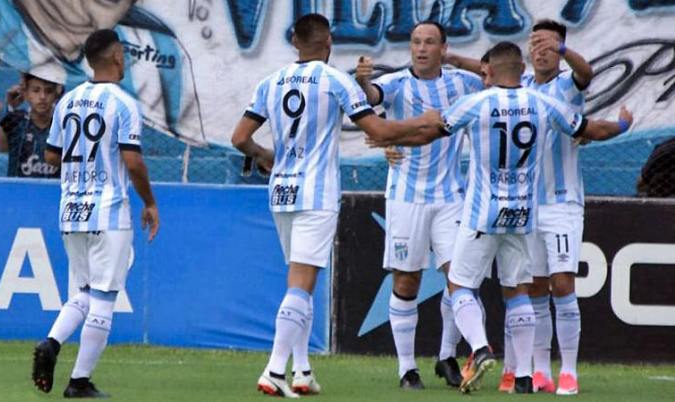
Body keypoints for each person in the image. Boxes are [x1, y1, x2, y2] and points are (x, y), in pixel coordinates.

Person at [230, 13, 445, 398]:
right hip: (316, 193)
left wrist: (264, 155)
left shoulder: (270, 82)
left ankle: (302, 371)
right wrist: (423, 122)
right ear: (328, 42)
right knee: (301, 282)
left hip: (281, 192)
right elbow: (378, 130)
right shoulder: (335, 80)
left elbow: (239, 138)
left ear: (294, 42)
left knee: (299, 281)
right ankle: (275, 370)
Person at [439, 41, 632, 394]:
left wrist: (384, 131)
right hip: (523, 213)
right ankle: (525, 376)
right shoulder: (542, 103)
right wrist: (621, 126)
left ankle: (480, 348)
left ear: (490, 71)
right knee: (519, 292)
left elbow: (429, 129)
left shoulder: (477, 102)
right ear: (522, 66)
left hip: (485, 213)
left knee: (460, 285)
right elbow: (591, 129)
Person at [355, 21, 483, 390]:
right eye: (416, 42)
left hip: (450, 197)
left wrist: (458, 60)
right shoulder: (397, 83)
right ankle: (407, 369)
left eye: (429, 42)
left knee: (460, 278)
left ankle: (447, 355)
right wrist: (363, 82)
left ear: (443, 48)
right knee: (407, 279)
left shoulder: (463, 82)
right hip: (406, 196)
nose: (421, 49)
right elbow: (373, 96)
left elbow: (498, 74)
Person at [31, 29, 159, 398]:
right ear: (117, 56)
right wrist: (149, 202)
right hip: (108, 212)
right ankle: (79, 382)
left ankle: (52, 343)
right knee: (103, 298)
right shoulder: (123, 104)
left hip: (71, 211)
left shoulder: (68, 101)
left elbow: (51, 155)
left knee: (85, 292)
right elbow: (133, 162)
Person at [501, 19, 594, 396]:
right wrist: (453, 58)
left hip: (562, 202)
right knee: (535, 287)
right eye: (535, 44)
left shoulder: (568, 84)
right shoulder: (520, 87)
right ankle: (541, 371)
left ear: (560, 49)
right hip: (526, 204)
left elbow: (587, 73)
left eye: (548, 45)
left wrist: (563, 50)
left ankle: (569, 370)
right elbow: (487, 69)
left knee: (563, 283)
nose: (541, 51)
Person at [0, 55, 62, 178]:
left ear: (56, 95)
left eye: (48, 91)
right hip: (18, 189)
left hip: (55, 190)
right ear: (25, 93)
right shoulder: (16, 121)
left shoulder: (65, 125)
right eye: (36, 90)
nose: (42, 97)